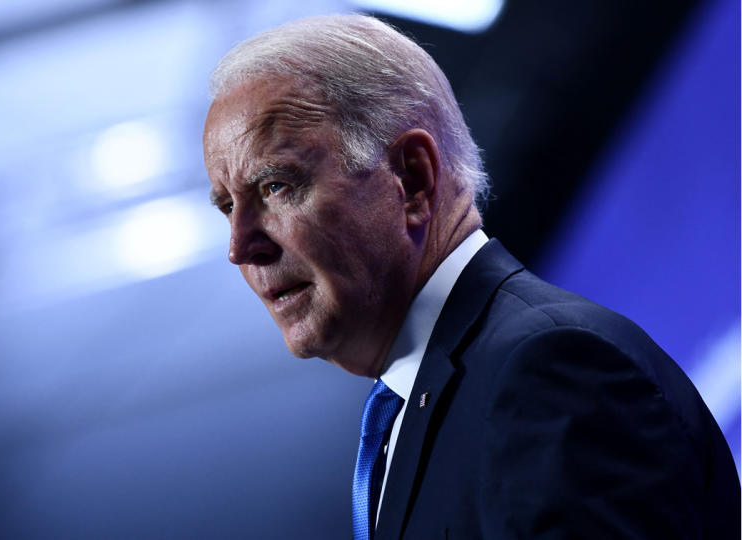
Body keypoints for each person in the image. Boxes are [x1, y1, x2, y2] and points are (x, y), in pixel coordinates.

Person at [201, 13, 739, 539]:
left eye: (275, 187)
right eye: (228, 207)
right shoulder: (423, 407)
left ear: (411, 178)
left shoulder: (549, 371)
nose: (239, 247)